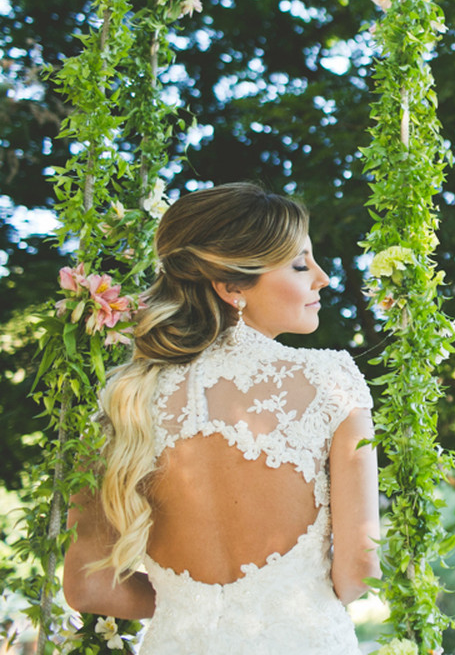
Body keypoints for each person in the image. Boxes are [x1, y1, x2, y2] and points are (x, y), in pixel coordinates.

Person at [62, 182, 381, 654]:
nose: (322, 277)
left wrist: (187, 602)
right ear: (232, 285)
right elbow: (360, 572)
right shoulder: (332, 381)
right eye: (299, 264)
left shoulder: (125, 397)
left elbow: (88, 588)